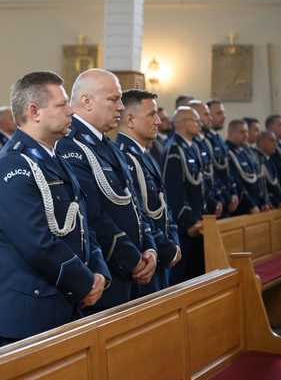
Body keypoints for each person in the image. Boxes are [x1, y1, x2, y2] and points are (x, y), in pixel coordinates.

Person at [0, 71, 110, 347]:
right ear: (34, 111)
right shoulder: (13, 165)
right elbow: (36, 243)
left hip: (63, 302)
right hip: (31, 312)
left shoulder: (54, 158)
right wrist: (85, 282)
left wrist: (100, 272)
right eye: (62, 105)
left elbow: (82, 224)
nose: (71, 111)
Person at [57, 69, 156, 309]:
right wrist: (133, 260)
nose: (121, 107)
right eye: (113, 99)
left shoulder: (107, 145)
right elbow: (92, 216)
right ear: (86, 101)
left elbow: (134, 204)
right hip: (109, 272)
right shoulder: (71, 147)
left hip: (135, 266)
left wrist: (150, 247)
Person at [117, 89, 181, 293]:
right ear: (130, 119)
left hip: (160, 255)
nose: (158, 122)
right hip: (147, 258)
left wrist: (174, 243)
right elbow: (139, 213)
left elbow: (163, 205)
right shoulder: (125, 156)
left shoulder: (144, 154)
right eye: (151, 115)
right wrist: (165, 249)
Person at [162, 107, 205, 283]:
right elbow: (173, 190)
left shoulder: (192, 147)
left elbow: (199, 184)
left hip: (198, 220)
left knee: (197, 272)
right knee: (181, 276)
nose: (199, 123)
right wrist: (188, 220)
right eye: (195, 120)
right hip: (184, 224)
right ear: (182, 123)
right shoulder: (174, 149)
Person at [189, 100, 224, 218]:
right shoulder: (190, 145)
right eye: (206, 114)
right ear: (195, 117)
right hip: (198, 211)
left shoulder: (204, 142)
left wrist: (219, 199)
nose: (210, 118)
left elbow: (213, 175)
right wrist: (212, 203)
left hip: (213, 205)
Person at [226, 119, 267, 214]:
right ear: (231, 133)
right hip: (242, 208)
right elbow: (237, 183)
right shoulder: (228, 152)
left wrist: (263, 202)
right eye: (242, 132)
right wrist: (250, 205)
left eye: (247, 132)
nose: (246, 135)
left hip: (256, 205)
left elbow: (256, 179)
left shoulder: (246, 152)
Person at [206, 99, 239, 217]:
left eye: (223, 113)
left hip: (227, 201)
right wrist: (221, 198)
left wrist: (233, 193)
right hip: (216, 202)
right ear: (208, 115)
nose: (224, 117)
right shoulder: (205, 140)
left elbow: (227, 171)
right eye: (219, 113)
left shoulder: (219, 139)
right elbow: (211, 174)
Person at [256, 131, 281, 208]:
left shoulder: (270, 160)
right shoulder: (257, 160)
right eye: (271, 140)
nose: (275, 144)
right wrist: (277, 203)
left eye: (276, 141)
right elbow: (261, 189)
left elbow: (277, 187)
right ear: (261, 142)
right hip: (265, 206)